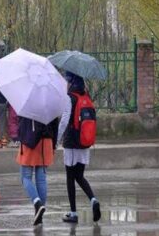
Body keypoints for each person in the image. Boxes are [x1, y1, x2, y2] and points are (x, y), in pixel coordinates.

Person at [58, 71, 101, 223]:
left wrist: (56, 140)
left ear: (71, 82)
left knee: (70, 177)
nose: (66, 84)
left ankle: (73, 213)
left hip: (71, 142)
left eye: (67, 81)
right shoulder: (86, 97)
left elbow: (64, 121)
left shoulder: (70, 98)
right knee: (79, 176)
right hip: (84, 142)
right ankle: (93, 200)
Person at [17, 116, 59, 226]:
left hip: (30, 140)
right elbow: (55, 125)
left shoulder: (27, 101)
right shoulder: (50, 102)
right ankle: (39, 216)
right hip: (47, 141)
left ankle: (37, 202)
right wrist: (53, 145)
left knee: (25, 177)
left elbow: (20, 124)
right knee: (41, 180)